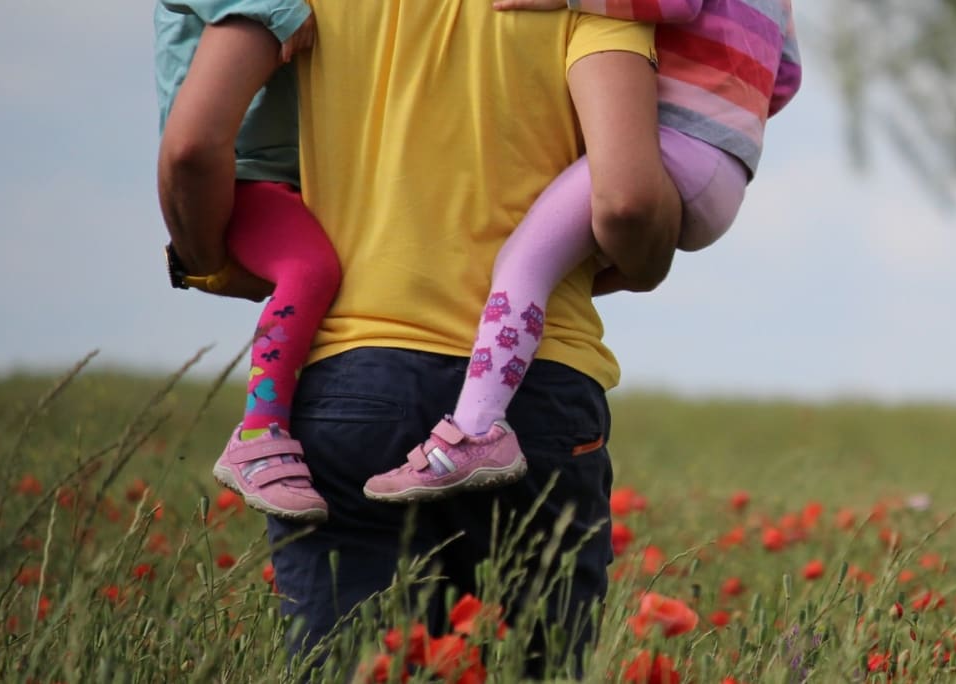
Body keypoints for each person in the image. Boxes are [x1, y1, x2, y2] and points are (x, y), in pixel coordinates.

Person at [232, 1, 668, 670]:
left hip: (352, 381)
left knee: (351, 665)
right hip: (536, 390)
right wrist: (648, 260)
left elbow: (190, 145)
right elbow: (629, 200)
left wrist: (206, 257)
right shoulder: (592, 1)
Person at [361, 0, 802, 503]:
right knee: (560, 268)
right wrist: (728, 115)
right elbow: (785, 77)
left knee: (521, 262)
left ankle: (477, 429)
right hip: (726, 167)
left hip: (672, 144)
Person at [155, 0, 336, 522]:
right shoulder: (263, 10)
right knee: (310, 270)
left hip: (293, 173)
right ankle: (259, 432)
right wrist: (281, 10)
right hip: (247, 176)